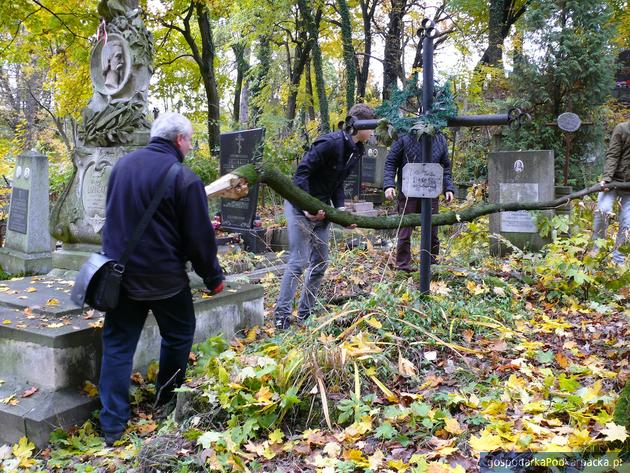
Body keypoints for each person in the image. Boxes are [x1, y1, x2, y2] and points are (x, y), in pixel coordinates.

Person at [99, 112, 224, 446]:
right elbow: (199, 238)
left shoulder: (121, 167)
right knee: (179, 335)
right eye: (191, 139)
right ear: (180, 140)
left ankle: (112, 426)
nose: (191, 145)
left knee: (118, 345)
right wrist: (213, 277)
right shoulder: (184, 178)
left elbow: (111, 219)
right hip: (165, 280)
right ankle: (166, 403)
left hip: (121, 276)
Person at [273, 103, 376, 330]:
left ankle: (305, 314)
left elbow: (337, 183)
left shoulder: (356, 151)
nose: (373, 132)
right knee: (299, 261)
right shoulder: (330, 143)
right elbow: (302, 173)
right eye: (371, 127)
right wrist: (306, 205)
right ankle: (281, 318)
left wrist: (339, 213)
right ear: (358, 125)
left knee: (320, 263)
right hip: (300, 204)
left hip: (322, 210)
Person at [383, 131, 455, 271]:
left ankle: (431, 265)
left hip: (431, 191)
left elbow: (445, 166)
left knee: (432, 231)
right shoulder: (404, 136)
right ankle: (403, 266)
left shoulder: (439, 138)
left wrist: (448, 188)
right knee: (405, 231)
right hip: (408, 191)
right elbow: (391, 162)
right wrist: (389, 185)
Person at [592, 120, 630, 265]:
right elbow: (613, 154)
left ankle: (618, 260)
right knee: (603, 210)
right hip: (613, 181)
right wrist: (607, 178)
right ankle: (596, 252)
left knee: (628, 224)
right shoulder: (622, 129)